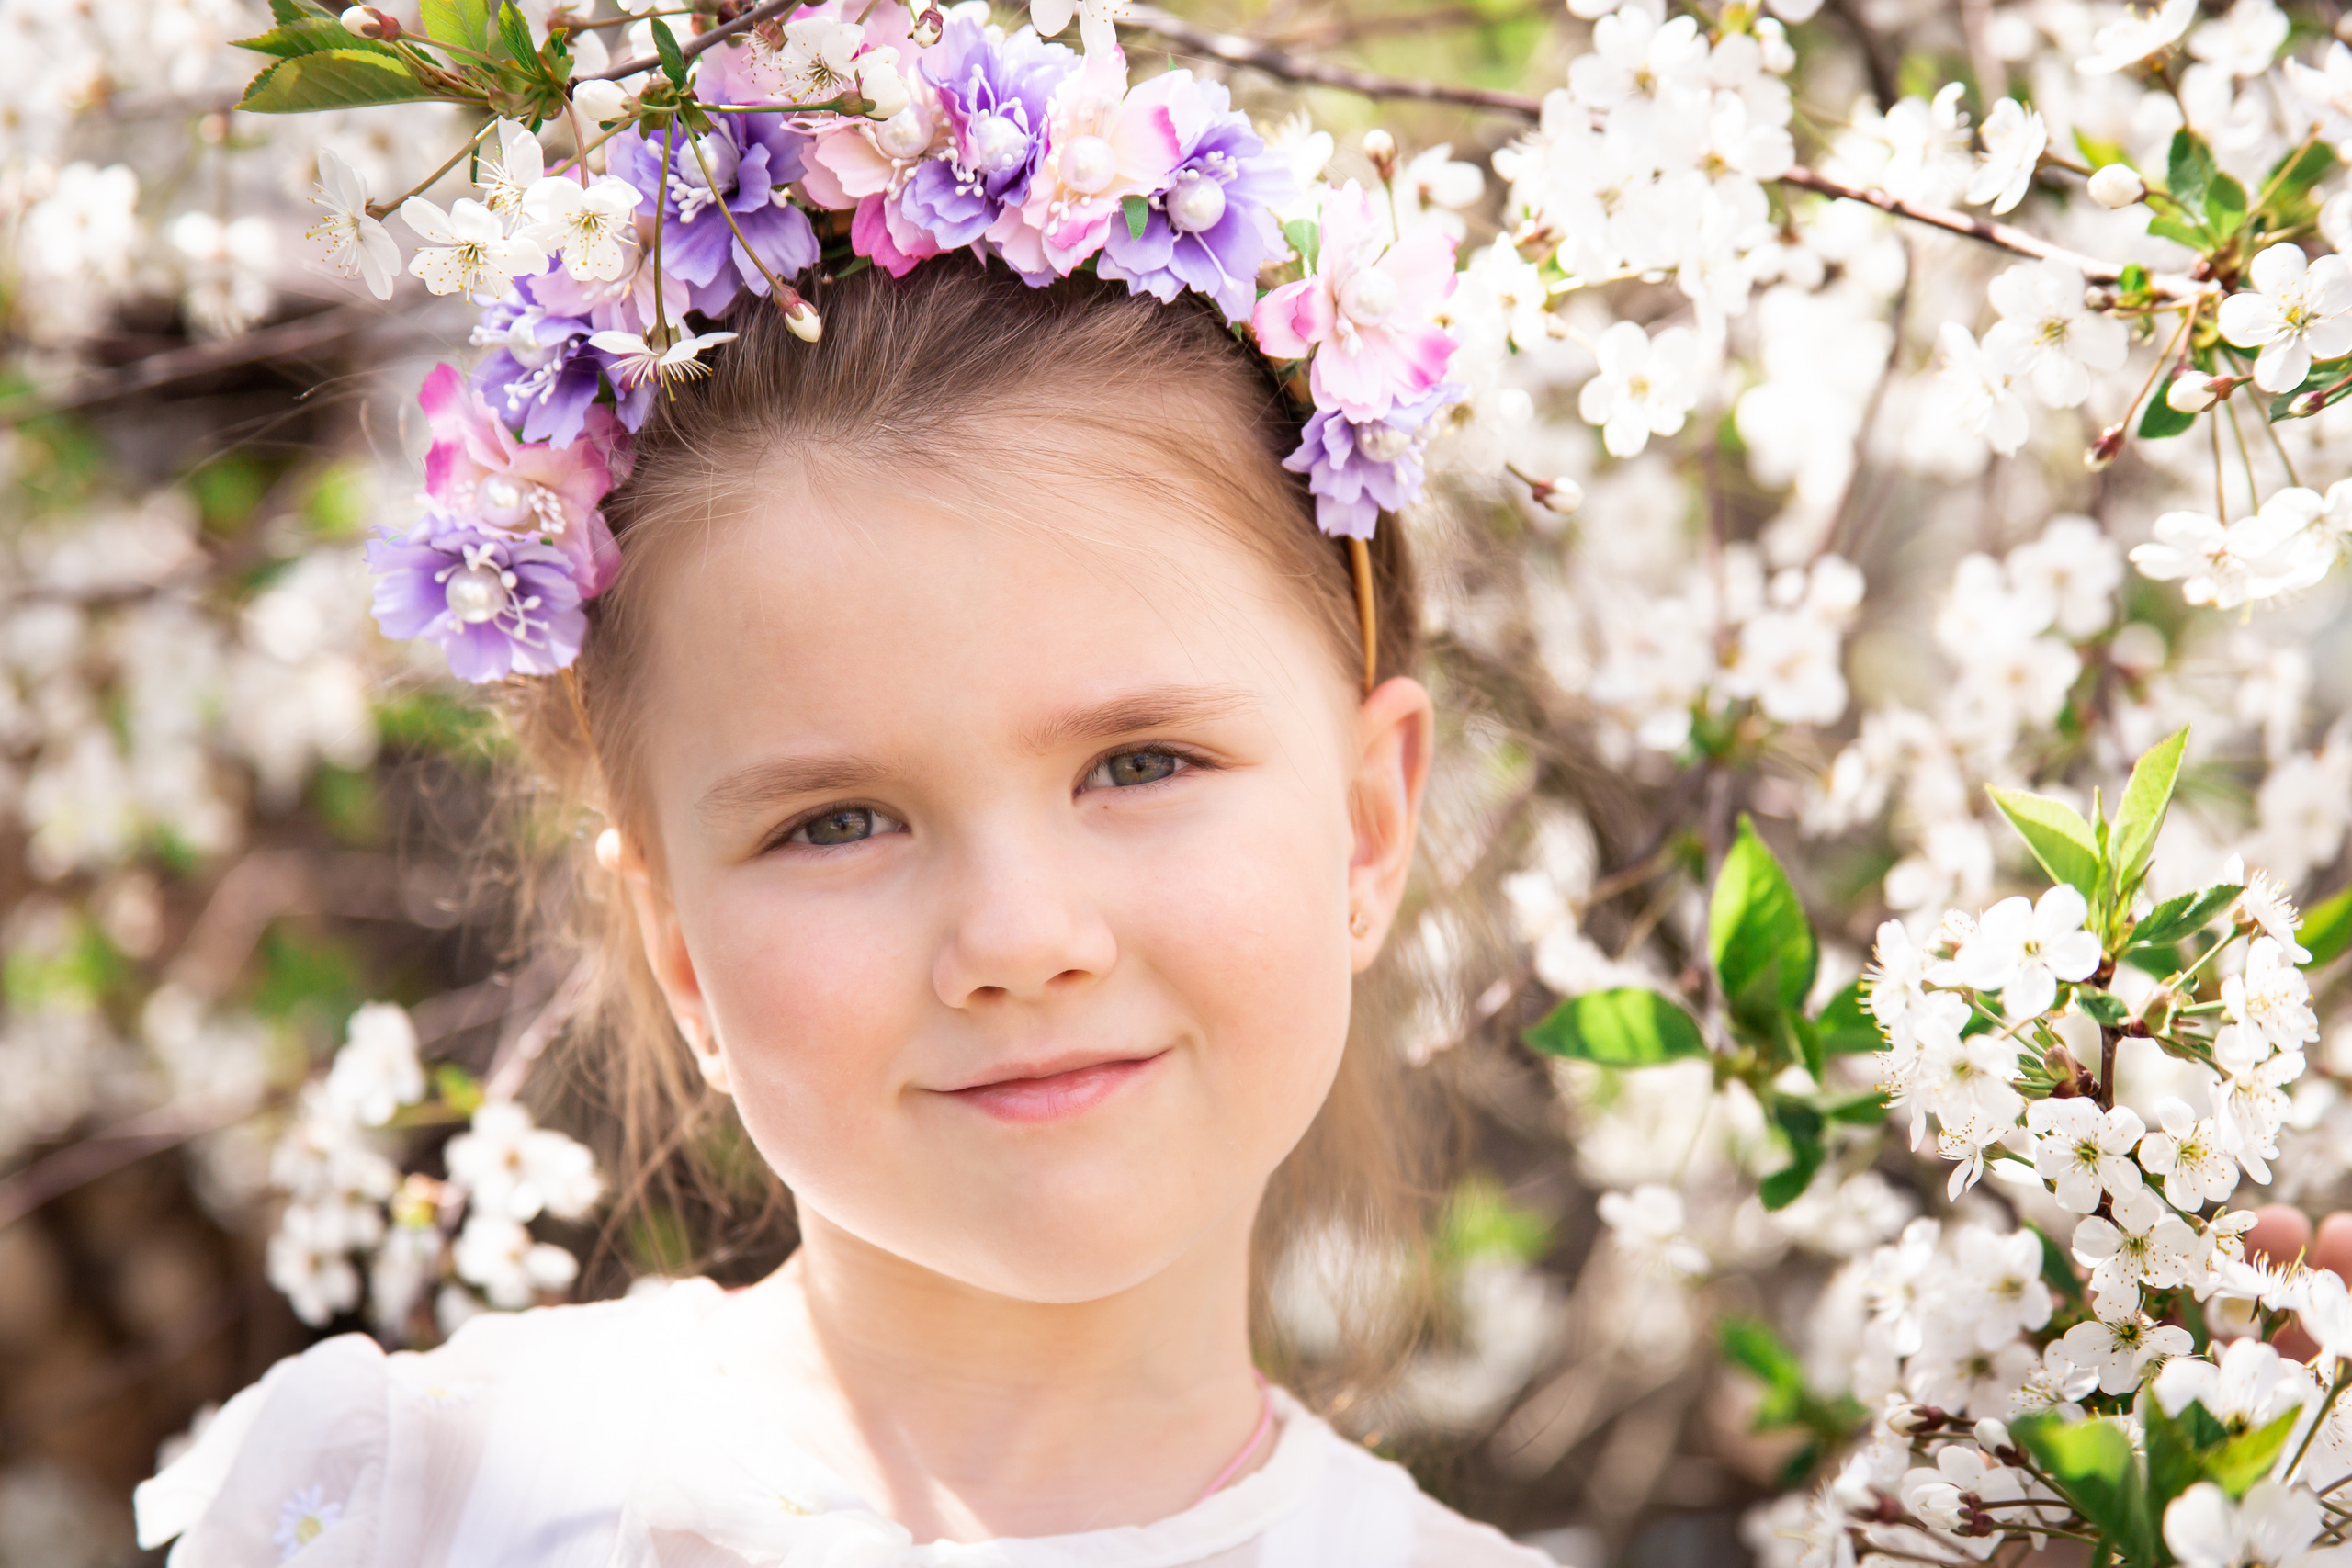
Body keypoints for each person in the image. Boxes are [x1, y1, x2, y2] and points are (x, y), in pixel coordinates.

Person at [130, 242, 1555, 1562]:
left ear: (1367, 828)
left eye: (1139, 764)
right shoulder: (415, 1506)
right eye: (837, 824)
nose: (1019, 940)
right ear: (678, 947)